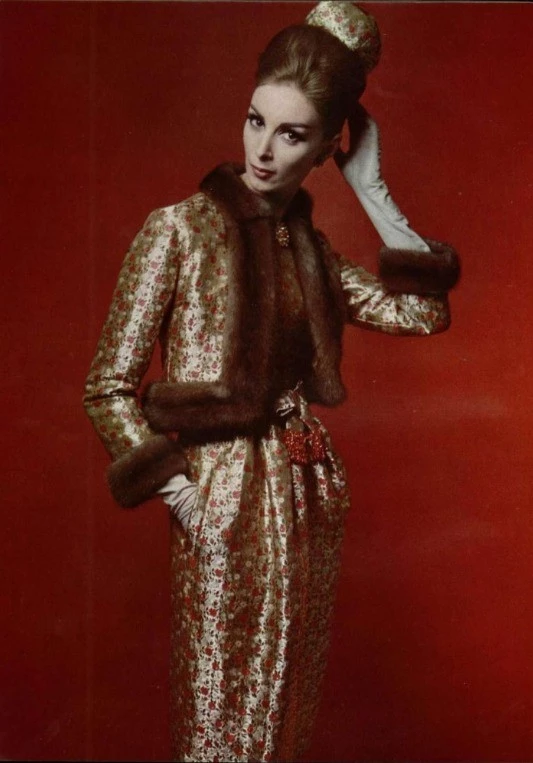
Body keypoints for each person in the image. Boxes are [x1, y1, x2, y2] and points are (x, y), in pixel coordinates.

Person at [83, 3, 459, 761]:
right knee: (220, 723)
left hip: (306, 489)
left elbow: (421, 314)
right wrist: (181, 492)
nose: (261, 149)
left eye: (291, 134)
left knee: (285, 714)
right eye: (256, 120)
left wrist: (372, 189)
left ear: (326, 146)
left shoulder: (309, 250)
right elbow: (107, 386)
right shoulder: (177, 230)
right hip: (220, 493)